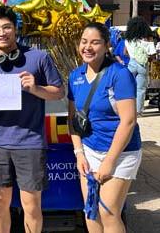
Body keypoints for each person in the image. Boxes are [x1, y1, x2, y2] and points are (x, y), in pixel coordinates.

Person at [0, 6, 64, 233]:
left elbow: (59, 92)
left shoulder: (39, 58)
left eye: (6, 27)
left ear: (15, 29)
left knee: (31, 206)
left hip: (30, 143)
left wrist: (36, 87)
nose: (2, 32)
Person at [68, 22, 142, 233]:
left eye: (95, 42)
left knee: (108, 212)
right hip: (89, 151)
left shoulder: (119, 74)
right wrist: (79, 153)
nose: (87, 47)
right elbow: (73, 121)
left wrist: (109, 161)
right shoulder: (75, 76)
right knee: (90, 210)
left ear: (106, 45)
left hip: (120, 153)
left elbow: (128, 121)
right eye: (84, 42)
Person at [125, 16, 156, 116]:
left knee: (129, 87)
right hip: (142, 65)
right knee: (140, 89)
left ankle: (128, 108)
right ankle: (138, 111)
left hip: (131, 64)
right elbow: (153, 54)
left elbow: (125, 52)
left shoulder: (128, 40)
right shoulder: (147, 40)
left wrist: (132, 56)